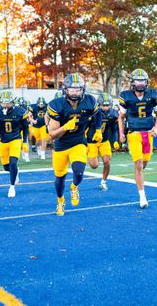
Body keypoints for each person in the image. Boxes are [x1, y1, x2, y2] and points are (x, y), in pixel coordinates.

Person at [47, 73, 100, 216]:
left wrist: (98, 129)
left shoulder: (89, 101)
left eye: (78, 90)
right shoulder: (57, 105)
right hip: (61, 146)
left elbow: (98, 114)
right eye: (72, 90)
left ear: (83, 89)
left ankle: (74, 187)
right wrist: (65, 127)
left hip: (78, 143)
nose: (75, 93)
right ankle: (60, 200)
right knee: (59, 179)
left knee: (79, 172)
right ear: (65, 90)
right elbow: (52, 135)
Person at [118, 69, 157, 208]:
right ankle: (142, 196)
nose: (141, 83)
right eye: (138, 80)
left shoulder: (153, 95)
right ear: (132, 82)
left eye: (143, 80)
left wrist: (156, 128)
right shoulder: (126, 96)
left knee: (143, 164)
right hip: (133, 133)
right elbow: (121, 116)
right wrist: (121, 133)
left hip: (148, 133)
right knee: (138, 164)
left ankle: (139, 179)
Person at [0, 91, 30, 198]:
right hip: (3, 141)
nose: (5, 105)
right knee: (6, 167)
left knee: (13, 162)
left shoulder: (20, 112)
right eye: (3, 103)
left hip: (16, 139)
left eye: (8, 103)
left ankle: (12, 187)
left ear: (13, 103)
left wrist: (24, 141)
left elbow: (25, 127)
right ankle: (15, 172)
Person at [87, 93, 119, 190]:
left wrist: (115, 141)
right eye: (103, 105)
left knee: (107, 161)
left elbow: (114, 129)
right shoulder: (93, 113)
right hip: (92, 141)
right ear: (98, 104)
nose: (105, 107)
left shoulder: (113, 114)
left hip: (104, 140)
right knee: (94, 165)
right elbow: (85, 127)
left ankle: (103, 181)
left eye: (107, 105)